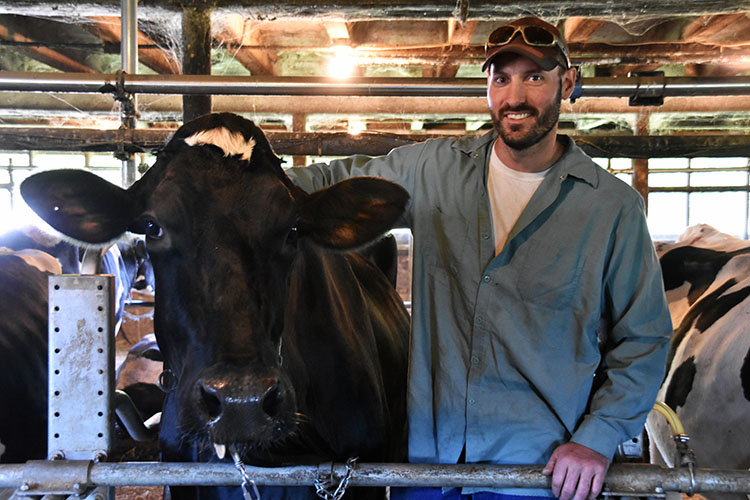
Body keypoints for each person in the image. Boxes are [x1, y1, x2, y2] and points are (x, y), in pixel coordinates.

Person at [287, 16, 673, 500]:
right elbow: (332, 182)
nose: (515, 97)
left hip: (542, 475)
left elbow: (645, 339)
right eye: (501, 78)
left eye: (535, 77)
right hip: (430, 470)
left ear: (568, 83)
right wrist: (231, 166)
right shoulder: (433, 170)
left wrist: (596, 439)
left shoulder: (611, 207)